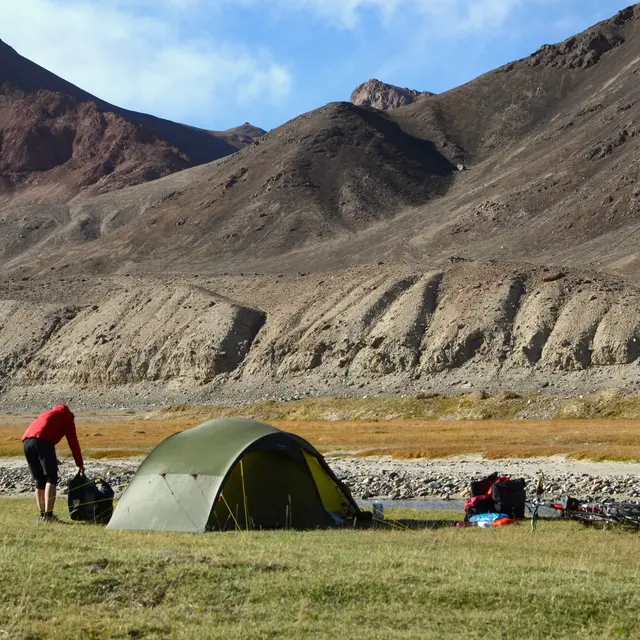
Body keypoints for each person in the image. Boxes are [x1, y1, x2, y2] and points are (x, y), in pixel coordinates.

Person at [22, 404, 84, 523]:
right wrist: (79, 463)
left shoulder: (49, 413)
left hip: (26, 442)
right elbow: (73, 442)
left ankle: (42, 515)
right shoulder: (67, 417)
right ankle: (49, 516)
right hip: (43, 442)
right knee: (51, 478)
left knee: (39, 480)